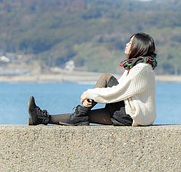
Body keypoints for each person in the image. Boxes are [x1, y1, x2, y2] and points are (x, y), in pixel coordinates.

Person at [27, 33, 157, 126]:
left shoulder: (142, 68)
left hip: (131, 115)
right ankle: (42, 118)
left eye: (130, 42)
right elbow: (120, 91)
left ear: (138, 47)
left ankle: (78, 113)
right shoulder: (137, 66)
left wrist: (89, 93)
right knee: (82, 117)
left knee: (106, 78)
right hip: (127, 113)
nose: (127, 44)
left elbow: (119, 91)